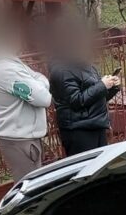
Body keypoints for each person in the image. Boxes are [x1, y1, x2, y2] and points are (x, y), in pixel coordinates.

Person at [0, 27, 52, 179]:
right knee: (29, 189)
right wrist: (41, 81)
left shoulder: (1, 64)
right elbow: (44, 98)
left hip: (16, 135)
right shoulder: (7, 69)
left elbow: (36, 78)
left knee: (27, 185)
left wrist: (37, 80)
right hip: (20, 139)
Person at [49, 23, 121, 156]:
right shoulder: (61, 70)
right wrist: (102, 85)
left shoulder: (87, 65)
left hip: (97, 125)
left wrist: (111, 86)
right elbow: (76, 101)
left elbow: (97, 97)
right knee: (84, 171)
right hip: (79, 130)